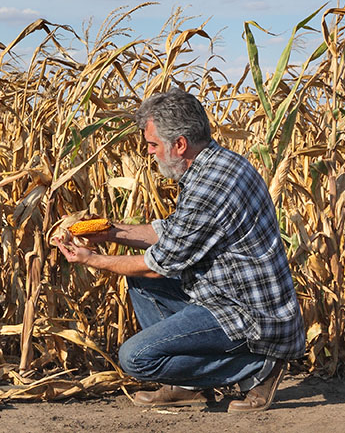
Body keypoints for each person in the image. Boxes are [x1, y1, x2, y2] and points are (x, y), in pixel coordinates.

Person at [53, 88, 304, 412]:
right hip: (225, 291)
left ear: (180, 144)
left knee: (136, 358)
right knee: (143, 285)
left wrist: (93, 260)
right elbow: (171, 233)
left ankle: (258, 369)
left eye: (153, 145)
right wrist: (109, 231)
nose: (150, 153)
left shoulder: (210, 187)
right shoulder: (216, 165)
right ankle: (187, 385)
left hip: (249, 315)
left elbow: (156, 265)